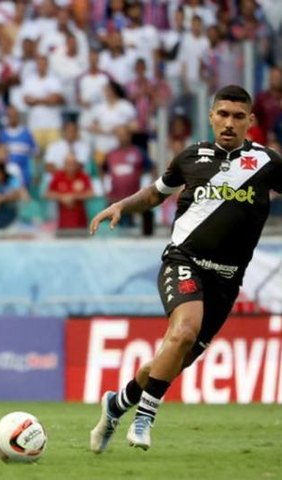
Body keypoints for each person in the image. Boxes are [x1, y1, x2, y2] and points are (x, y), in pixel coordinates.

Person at [88, 85, 282, 453]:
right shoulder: (190, 158)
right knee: (185, 330)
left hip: (226, 280)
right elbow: (155, 193)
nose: (229, 123)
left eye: (238, 117)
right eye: (222, 114)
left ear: (250, 122)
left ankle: (116, 405)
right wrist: (121, 206)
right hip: (184, 260)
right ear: (211, 116)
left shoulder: (267, 163)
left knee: (172, 357)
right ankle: (145, 417)